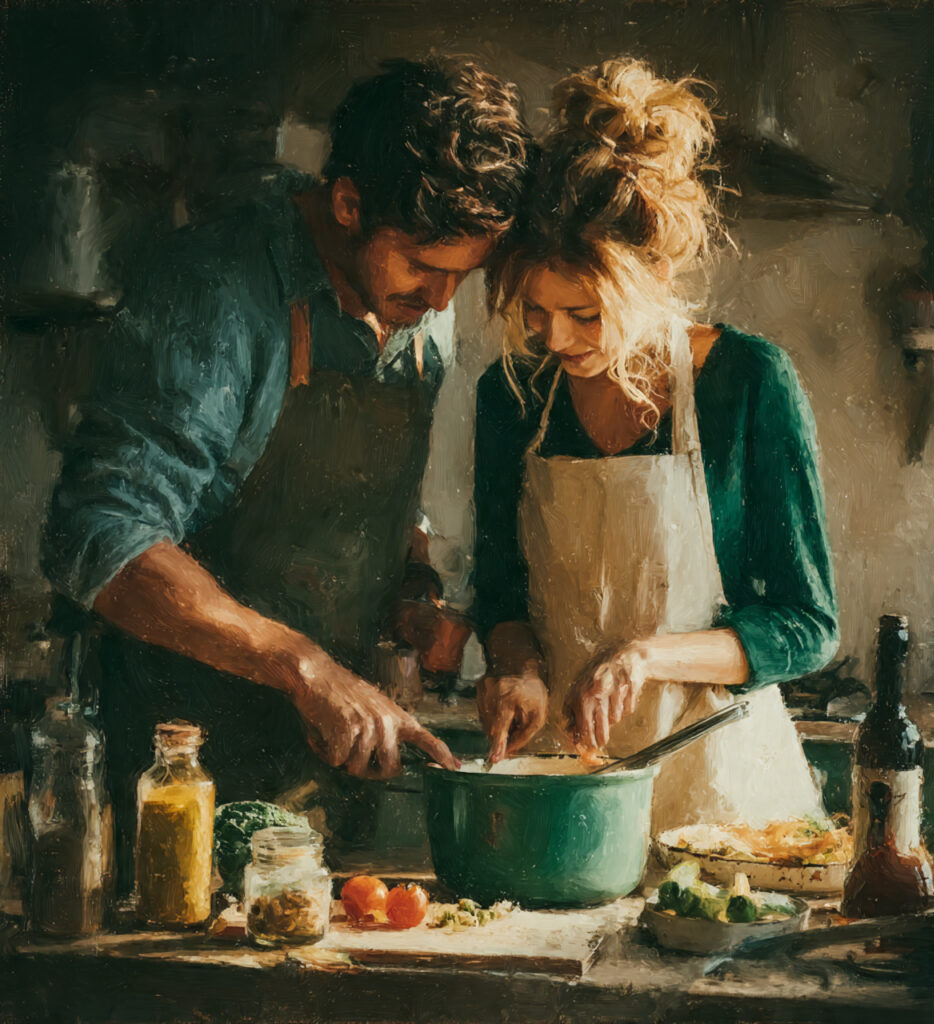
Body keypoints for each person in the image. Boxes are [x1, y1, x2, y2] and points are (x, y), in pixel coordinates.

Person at [42, 57, 531, 875]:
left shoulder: (416, 315)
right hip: (180, 768)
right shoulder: (218, 289)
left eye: (462, 277)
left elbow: (375, 503)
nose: (444, 303)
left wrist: (413, 589)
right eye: (423, 267)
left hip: (331, 767)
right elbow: (100, 535)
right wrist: (303, 665)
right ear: (348, 205)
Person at [472, 58, 839, 831]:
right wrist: (516, 668)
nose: (557, 339)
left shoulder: (747, 381)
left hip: (724, 793)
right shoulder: (513, 397)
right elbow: (503, 592)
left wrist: (643, 657)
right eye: (535, 314)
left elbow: (808, 625)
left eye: (586, 313)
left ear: (656, 273)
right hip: (568, 782)